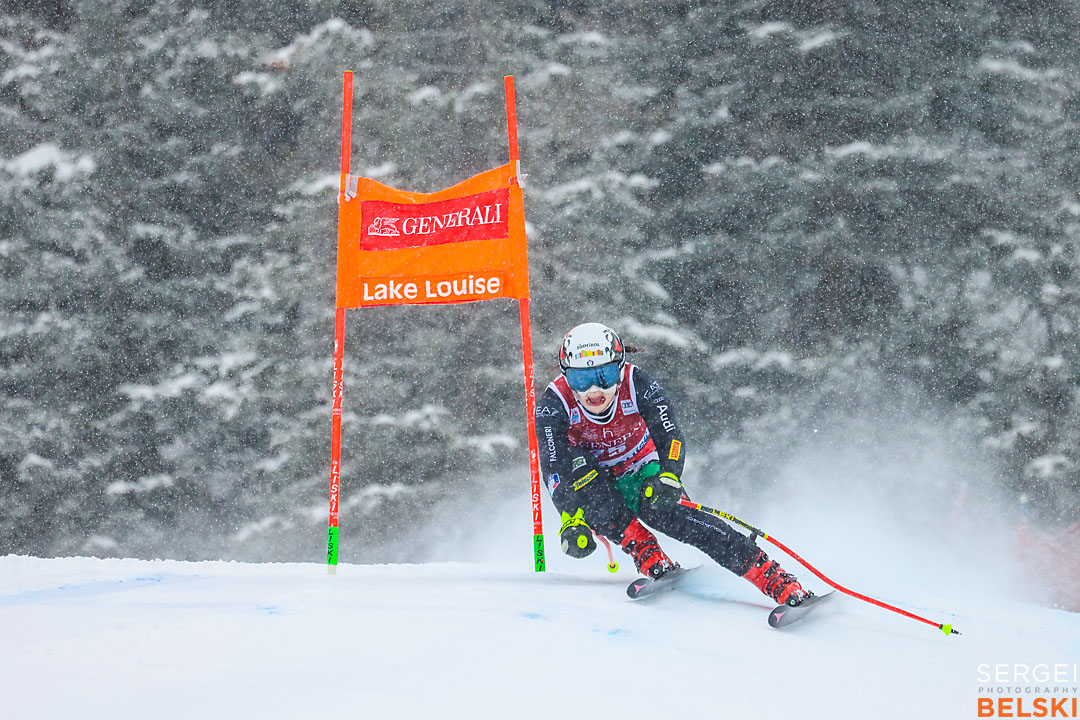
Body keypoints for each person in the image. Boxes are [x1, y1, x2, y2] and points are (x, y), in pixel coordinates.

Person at [534, 322, 810, 607]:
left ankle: (772, 577)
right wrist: (571, 519)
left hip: (643, 465)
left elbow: (671, 436)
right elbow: (554, 469)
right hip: (593, 477)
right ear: (566, 375)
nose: (594, 390)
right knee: (584, 478)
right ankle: (645, 550)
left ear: (619, 368)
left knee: (673, 515)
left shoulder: (638, 383)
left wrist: (669, 476)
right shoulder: (553, 404)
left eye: (604, 376)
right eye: (581, 379)